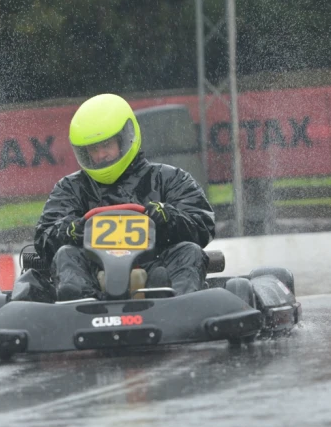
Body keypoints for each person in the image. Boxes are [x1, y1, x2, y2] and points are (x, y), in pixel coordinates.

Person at [17, 93, 215, 302]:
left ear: (125, 138)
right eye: (94, 149)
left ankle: (177, 304)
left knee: (189, 251)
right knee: (66, 254)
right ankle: (80, 305)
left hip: (155, 263)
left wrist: (167, 218)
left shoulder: (169, 178)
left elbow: (202, 225)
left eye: (106, 145)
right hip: (92, 272)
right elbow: (44, 239)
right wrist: (73, 230)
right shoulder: (71, 188)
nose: (101, 155)